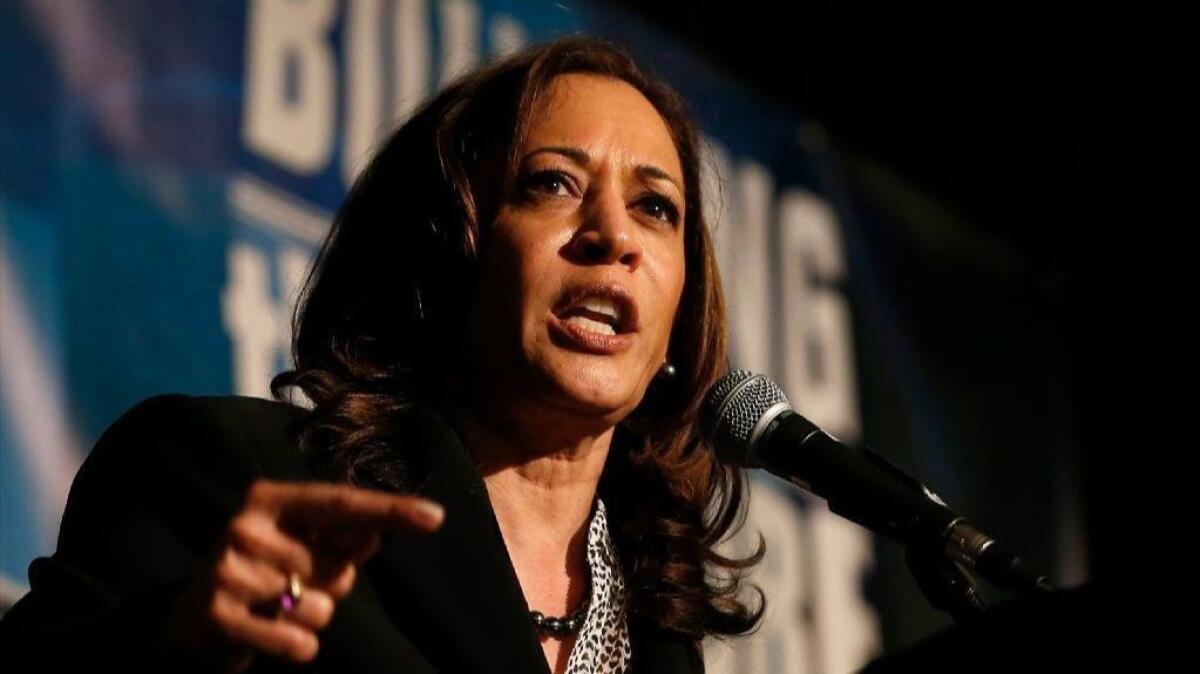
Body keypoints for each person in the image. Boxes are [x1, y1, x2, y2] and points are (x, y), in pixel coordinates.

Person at [0, 35, 764, 673]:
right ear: (446, 248)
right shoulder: (229, 473)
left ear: (680, 317)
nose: (614, 236)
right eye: (553, 184)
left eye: (655, 207)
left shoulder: (662, 636)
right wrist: (178, 646)